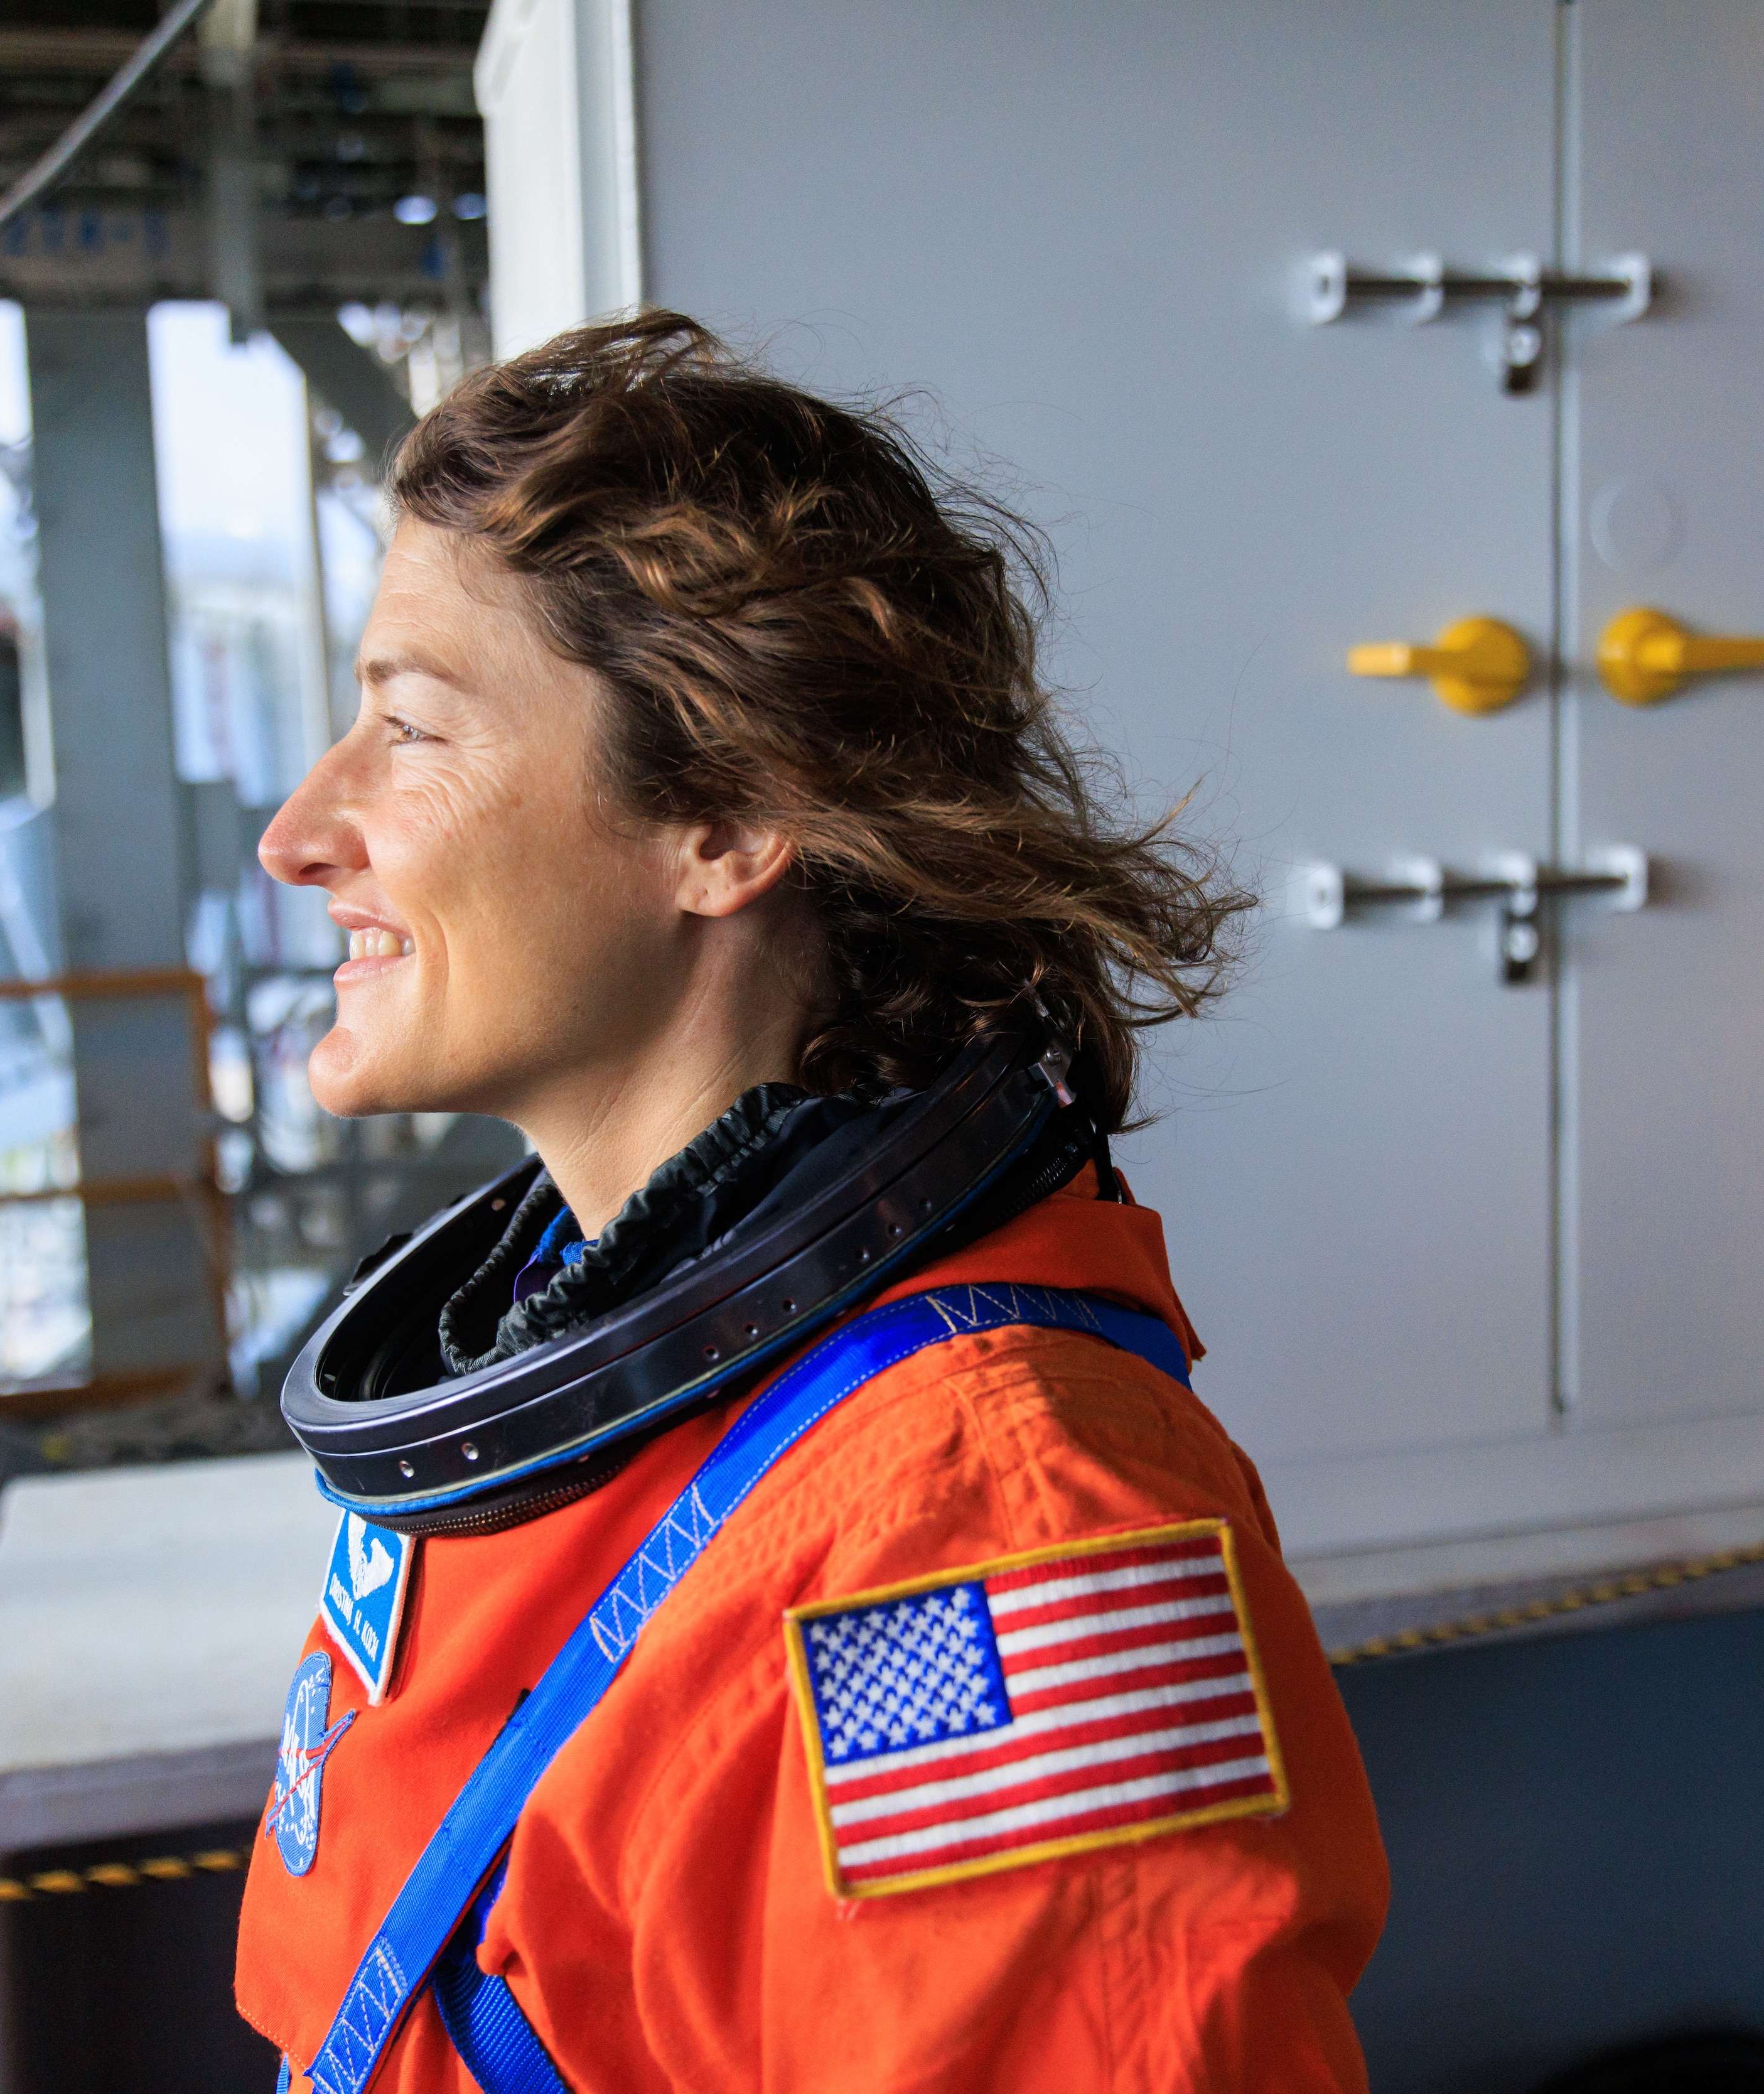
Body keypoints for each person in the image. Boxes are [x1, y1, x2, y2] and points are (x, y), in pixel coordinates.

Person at [239, 312, 1389, 2092]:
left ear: (723, 822)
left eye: (409, 727)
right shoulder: (568, 1378)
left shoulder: (991, 1537)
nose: (302, 827)